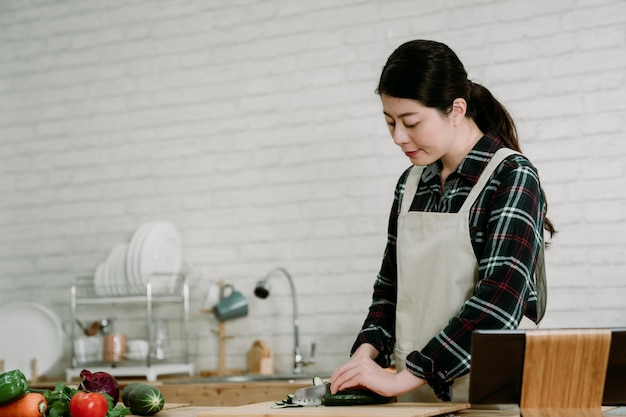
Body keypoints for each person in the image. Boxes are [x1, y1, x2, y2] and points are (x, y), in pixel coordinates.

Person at [329, 39, 555, 403]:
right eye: (390, 123)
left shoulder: (510, 175)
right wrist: (363, 357)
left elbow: (499, 302)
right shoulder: (410, 184)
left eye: (411, 122)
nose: (399, 138)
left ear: (456, 110)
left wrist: (400, 380)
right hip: (411, 398)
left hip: (483, 398)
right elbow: (390, 290)